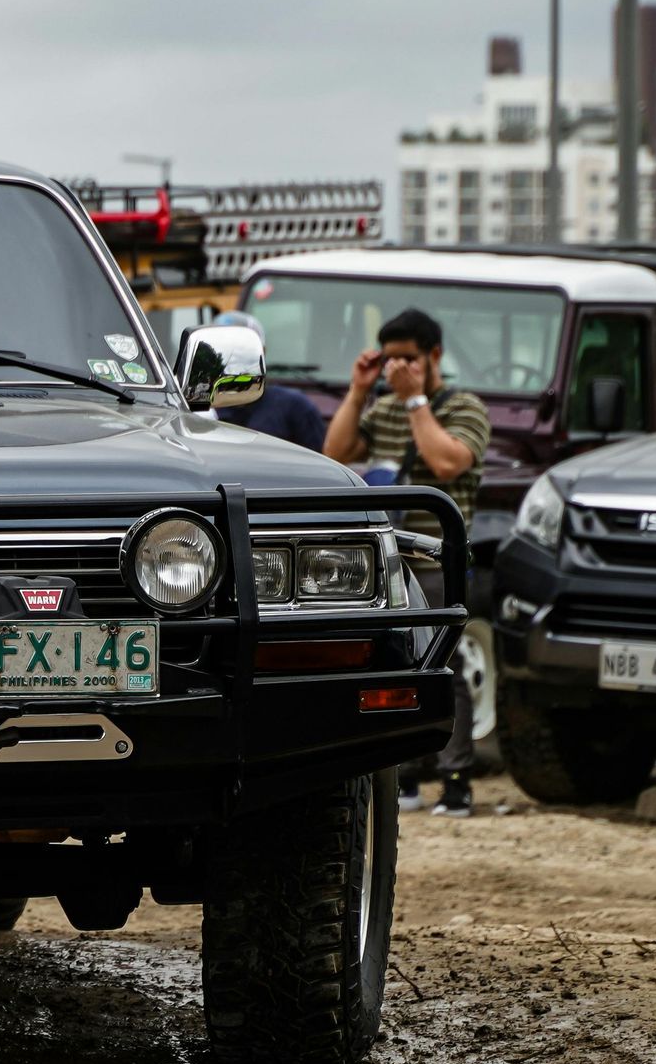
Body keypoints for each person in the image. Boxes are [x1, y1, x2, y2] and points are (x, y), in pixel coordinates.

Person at [322, 307, 491, 816]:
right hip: (391, 560)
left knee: (446, 664)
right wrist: (358, 391)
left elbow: (446, 461)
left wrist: (417, 399)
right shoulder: (384, 409)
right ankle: (408, 776)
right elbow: (335, 452)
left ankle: (456, 777)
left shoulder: (465, 407)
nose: (398, 370)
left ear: (435, 356)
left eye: (409, 360)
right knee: (394, 661)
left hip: (439, 559)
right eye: (390, 360)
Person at [207, 311, 327, 452]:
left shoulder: (295, 408)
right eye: (219, 349)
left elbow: (320, 465)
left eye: (239, 349)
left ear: (262, 352)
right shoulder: (197, 411)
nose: (228, 358)